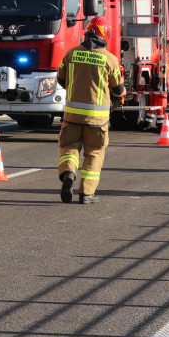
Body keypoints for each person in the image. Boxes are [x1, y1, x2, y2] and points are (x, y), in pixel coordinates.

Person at [56, 15, 125, 204]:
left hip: (71, 116)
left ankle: (69, 173)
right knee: (94, 152)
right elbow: (118, 90)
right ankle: (86, 194)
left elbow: (61, 79)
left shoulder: (71, 54)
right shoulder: (110, 60)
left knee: (69, 148)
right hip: (97, 120)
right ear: (105, 34)